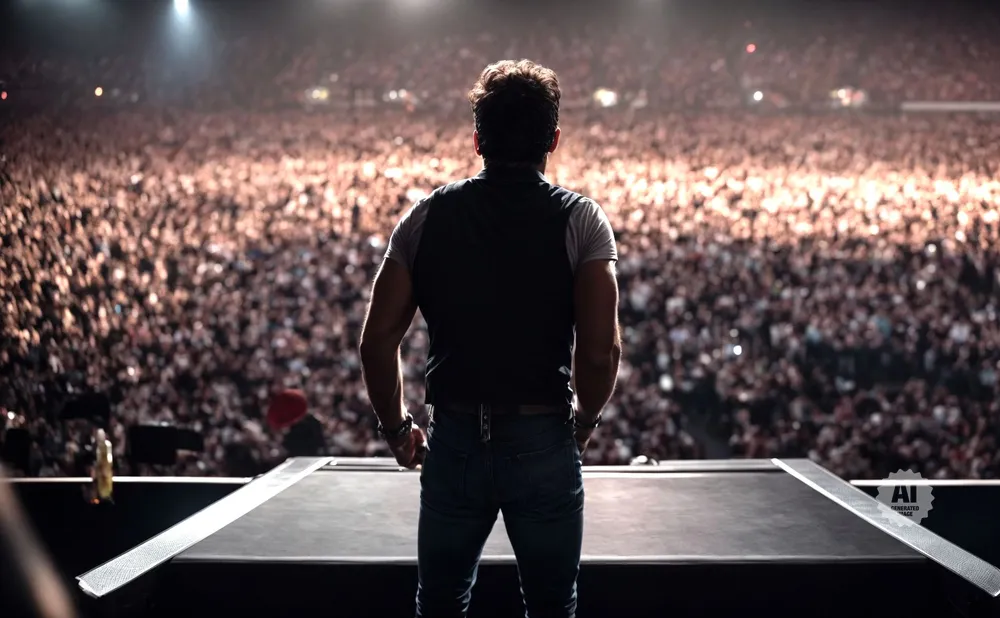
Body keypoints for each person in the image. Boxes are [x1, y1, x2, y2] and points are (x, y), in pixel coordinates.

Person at [359, 59, 622, 618]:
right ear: (553, 138)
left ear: (477, 138)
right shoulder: (582, 221)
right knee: (552, 606)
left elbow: (377, 340)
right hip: (543, 433)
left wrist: (395, 428)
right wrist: (583, 424)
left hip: (453, 437)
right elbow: (601, 350)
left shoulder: (426, 216)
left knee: (442, 604)